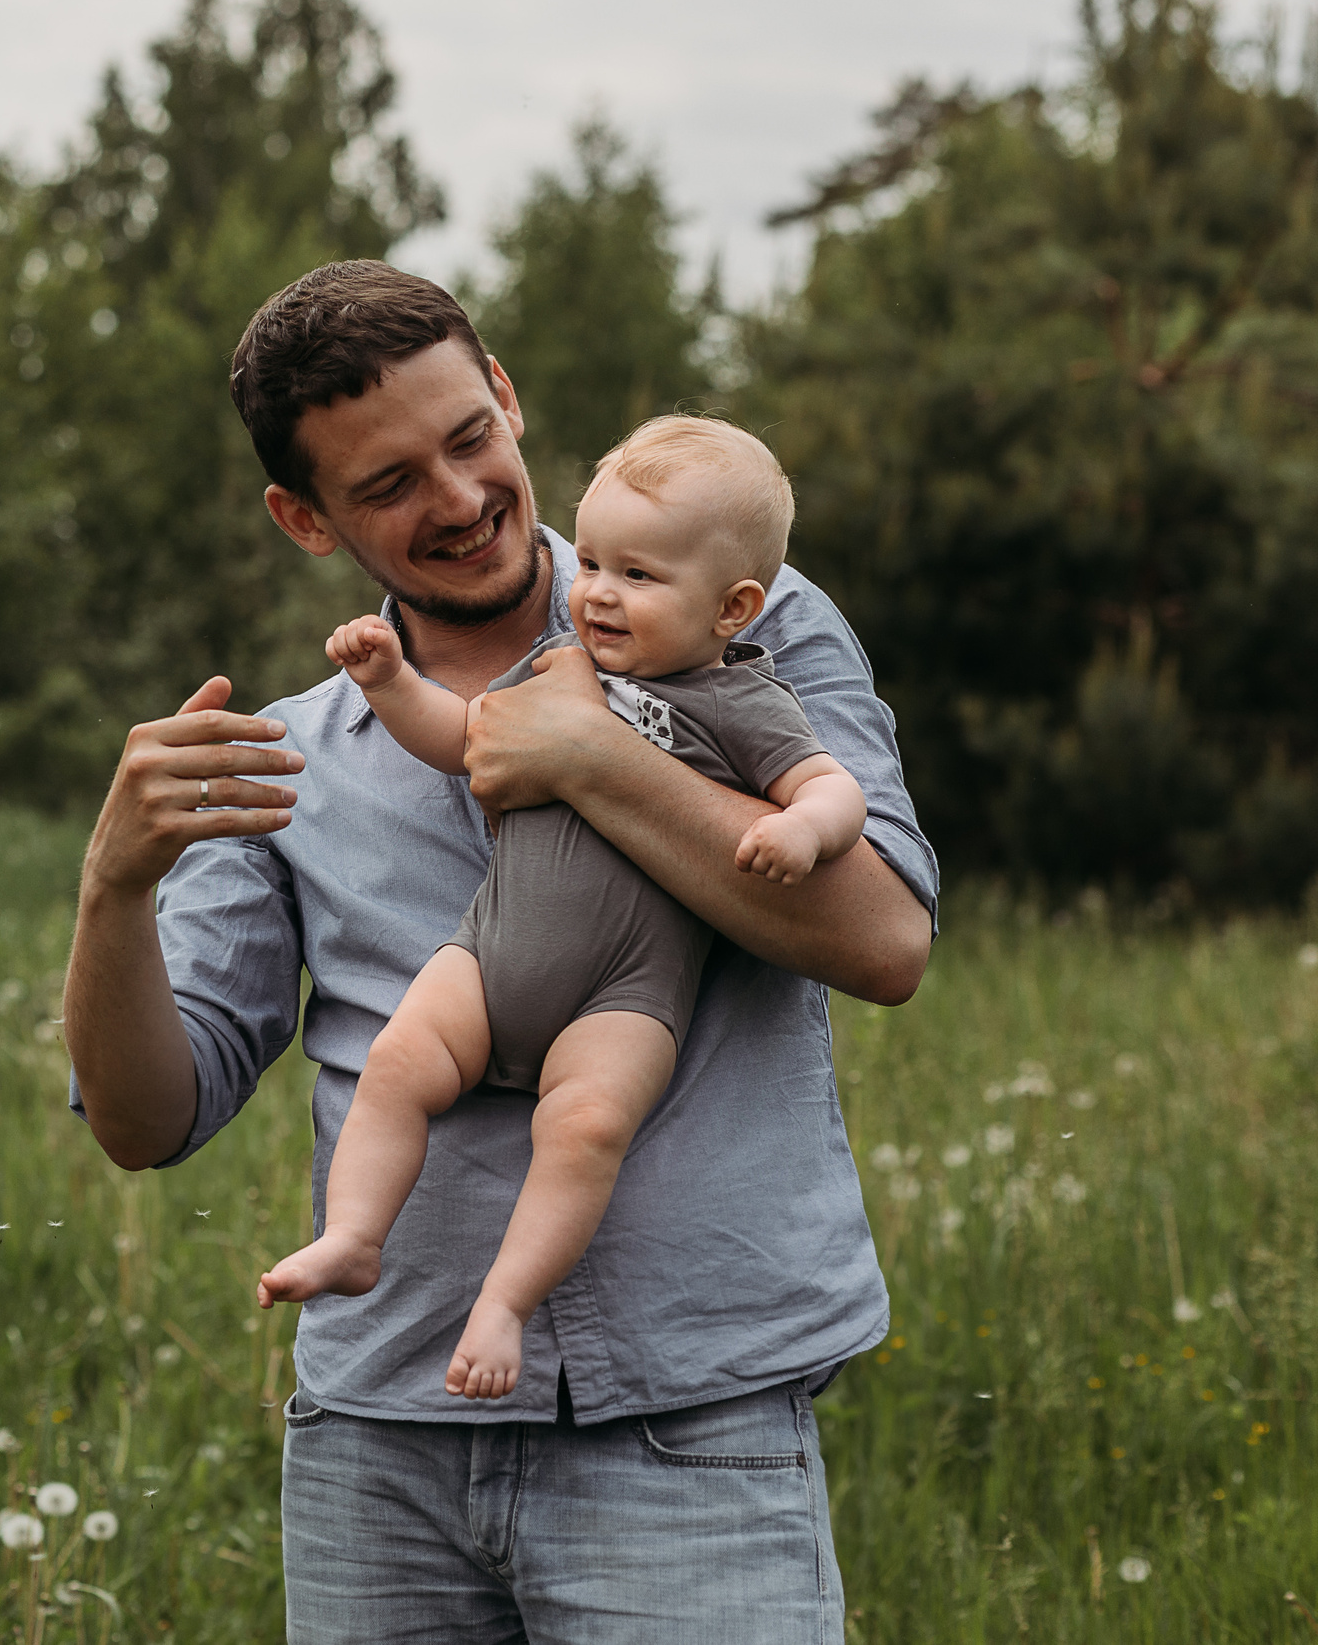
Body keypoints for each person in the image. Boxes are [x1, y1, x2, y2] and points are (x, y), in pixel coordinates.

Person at [62, 259, 936, 1642]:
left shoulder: (739, 611)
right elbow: (143, 1121)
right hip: (379, 1447)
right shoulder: (287, 756)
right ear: (305, 519)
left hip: (688, 1429)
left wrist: (592, 756)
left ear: (508, 396)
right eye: (389, 483)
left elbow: (885, 940)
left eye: (470, 436)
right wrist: (112, 889)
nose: (462, 497)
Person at [256, 415, 871, 1403]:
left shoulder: (737, 701)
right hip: (489, 955)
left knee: (584, 1129)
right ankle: (355, 1236)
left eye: (639, 575)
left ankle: (504, 1303)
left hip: (625, 995)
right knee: (399, 1064)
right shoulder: (555, 668)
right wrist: (390, 681)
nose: (597, 593)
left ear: (733, 607)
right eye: (590, 563)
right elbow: (463, 737)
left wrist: (802, 831)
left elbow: (833, 789)